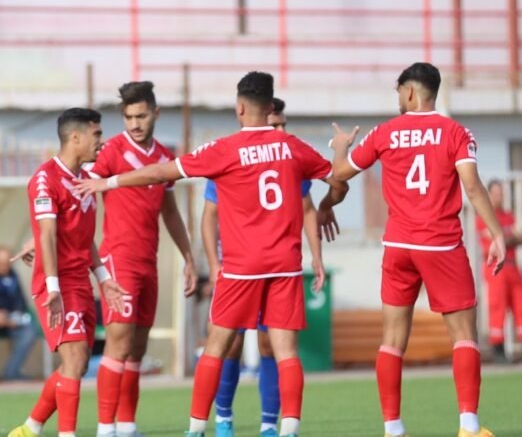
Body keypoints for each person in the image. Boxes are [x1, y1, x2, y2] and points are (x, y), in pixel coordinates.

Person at [75, 71, 348, 437]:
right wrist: (336, 173)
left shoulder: (225, 149)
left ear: (239, 108)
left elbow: (161, 173)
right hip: (284, 265)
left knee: (216, 348)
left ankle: (197, 428)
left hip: (241, 268)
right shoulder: (293, 147)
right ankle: (287, 429)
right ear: (270, 107)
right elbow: (339, 180)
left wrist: (110, 181)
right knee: (285, 352)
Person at [329, 62, 504, 437]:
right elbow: (473, 187)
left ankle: (393, 428)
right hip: (441, 244)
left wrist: (341, 148)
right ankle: (469, 426)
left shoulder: (384, 132)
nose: (397, 98)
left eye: (398, 91)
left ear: (410, 92)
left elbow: (340, 173)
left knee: (392, 340)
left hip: (398, 246)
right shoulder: (456, 132)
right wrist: (497, 234)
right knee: (464, 335)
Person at [203, 97, 338, 437]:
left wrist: (316, 255)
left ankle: (268, 425)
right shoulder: (230, 155)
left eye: (283, 125)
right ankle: (223, 418)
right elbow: (209, 216)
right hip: (237, 266)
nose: (279, 130)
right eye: (274, 124)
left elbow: (307, 208)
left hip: (276, 267)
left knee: (270, 345)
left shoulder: (290, 156)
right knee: (230, 344)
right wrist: (214, 264)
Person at [85, 81, 197, 437]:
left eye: (141, 116)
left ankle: (127, 426)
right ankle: (105, 429)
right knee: (118, 341)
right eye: (129, 117)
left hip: (149, 262)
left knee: (137, 348)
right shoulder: (110, 152)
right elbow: (79, 193)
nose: (134, 123)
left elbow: (170, 212)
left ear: (155, 114)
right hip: (118, 259)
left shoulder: (165, 157)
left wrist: (189, 257)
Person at [9, 108, 126, 437]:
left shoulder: (84, 179)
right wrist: (53, 287)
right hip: (58, 286)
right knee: (74, 360)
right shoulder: (45, 178)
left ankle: (30, 428)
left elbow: (83, 237)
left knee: (79, 362)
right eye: (97, 134)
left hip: (80, 282)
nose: (101, 141)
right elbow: (47, 234)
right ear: (76, 137)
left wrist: (104, 278)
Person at [475, 180, 522, 363]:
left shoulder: (509, 216)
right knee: (497, 308)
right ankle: (498, 351)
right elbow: (494, 241)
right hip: (495, 268)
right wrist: (509, 238)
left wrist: (502, 237)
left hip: (512, 266)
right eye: (495, 193)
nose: (499, 197)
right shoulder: (484, 217)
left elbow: (521, 238)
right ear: (489, 195)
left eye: (501, 193)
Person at [0, 246, 37, 380]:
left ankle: (11, 371)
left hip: (12, 319)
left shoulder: (13, 275)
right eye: (2, 263)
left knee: (29, 331)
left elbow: (21, 300)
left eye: (7, 263)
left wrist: (18, 314)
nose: (5, 266)